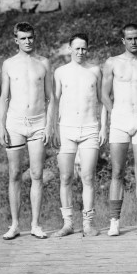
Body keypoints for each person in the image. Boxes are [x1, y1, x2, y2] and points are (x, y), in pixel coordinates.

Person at [101, 23, 137, 236]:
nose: (134, 42)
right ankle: (114, 221)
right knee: (117, 172)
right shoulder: (112, 63)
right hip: (119, 120)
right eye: (130, 38)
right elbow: (104, 94)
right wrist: (115, 113)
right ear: (123, 40)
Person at [0, 22, 54, 240]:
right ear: (16, 40)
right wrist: (2, 125)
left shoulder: (43, 63)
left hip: (38, 122)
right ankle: (14, 225)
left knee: (37, 174)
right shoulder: (9, 64)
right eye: (23, 38)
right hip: (15, 123)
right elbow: (4, 97)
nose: (27, 41)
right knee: (14, 174)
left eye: (30, 37)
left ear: (34, 37)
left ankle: (36, 224)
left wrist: (50, 125)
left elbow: (51, 98)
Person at [52, 33, 107, 237]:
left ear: (88, 49)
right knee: (65, 177)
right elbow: (54, 102)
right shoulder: (60, 72)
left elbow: (103, 100)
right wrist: (53, 128)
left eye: (84, 48)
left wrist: (103, 127)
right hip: (66, 128)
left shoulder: (94, 71)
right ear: (70, 49)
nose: (81, 52)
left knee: (88, 176)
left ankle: (88, 223)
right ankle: (67, 223)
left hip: (90, 128)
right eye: (77, 48)